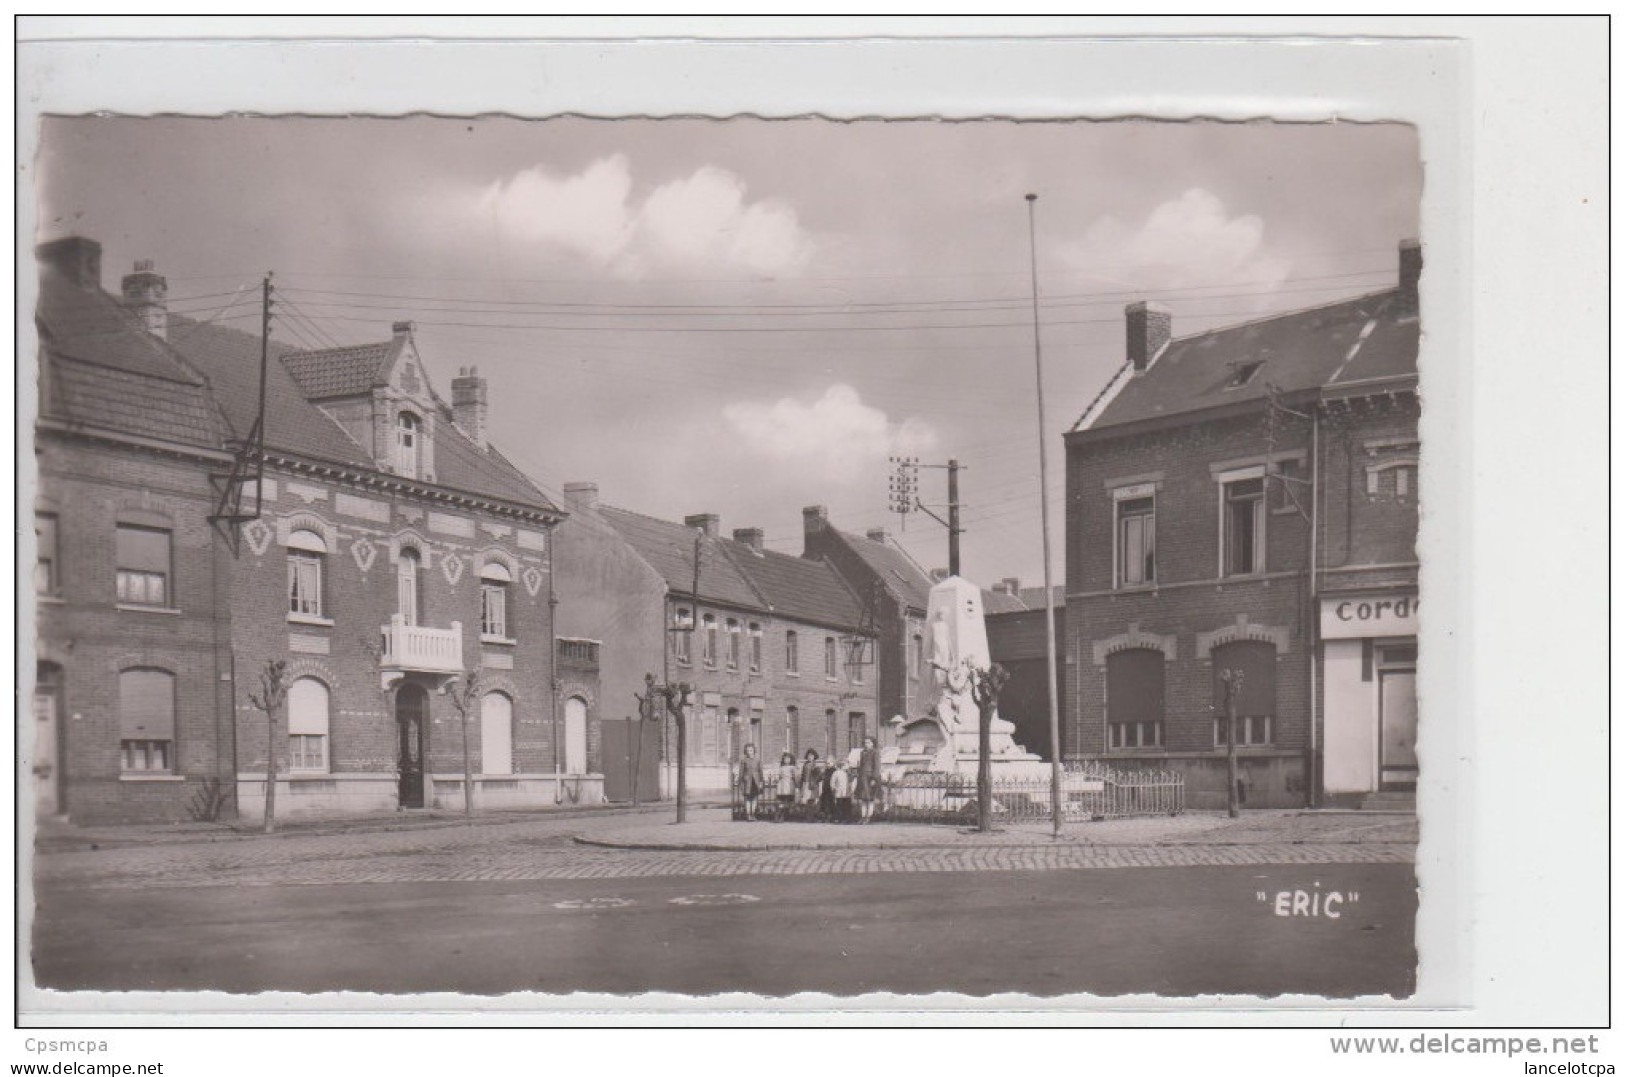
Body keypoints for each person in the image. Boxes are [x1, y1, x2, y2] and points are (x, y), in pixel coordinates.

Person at [854, 735, 882, 824]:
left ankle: (868, 816)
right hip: (862, 777)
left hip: (870, 778)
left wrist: (874, 778)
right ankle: (862, 816)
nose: (866, 744)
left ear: (872, 744)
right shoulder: (862, 752)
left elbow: (877, 766)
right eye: (865, 742)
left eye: (868, 742)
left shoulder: (875, 752)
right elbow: (861, 765)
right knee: (863, 798)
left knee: (870, 798)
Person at [736, 743, 764, 821]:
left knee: (754, 799)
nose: (749, 752)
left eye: (751, 750)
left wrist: (761, 782)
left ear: (754, 750)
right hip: (747, 782)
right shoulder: (744, 760)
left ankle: (753, 814)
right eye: (747, 750)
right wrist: (740, 782)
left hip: (755, 782)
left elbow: (761, 771)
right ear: (745, 751)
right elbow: (741, 772)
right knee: (747, 799)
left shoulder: (758, 760)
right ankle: (748, 815)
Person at [799, 748, 823, 820]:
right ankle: (807, 816)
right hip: (805, 783)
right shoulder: (805, 765)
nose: (810, 757)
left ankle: (812, 816)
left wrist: (815, 781)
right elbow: (803, 775)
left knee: (812, 799)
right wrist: (802, 783)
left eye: (812, 756)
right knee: (805, 799)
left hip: (812, 784)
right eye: (809, 756)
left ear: (814, 757)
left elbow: (819, 776)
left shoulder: (815, 765)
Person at [774, 751, 798, 822]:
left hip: (789, 785)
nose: (786, 760)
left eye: (788, 759)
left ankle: (785, 815)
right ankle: (779, 815)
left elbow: (795, 776)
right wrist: (776, 779)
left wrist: (796, 784)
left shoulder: (792, 767)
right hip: (782, 785)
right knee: (781, 801)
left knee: (788, 801)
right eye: (785, 759)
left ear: (791, 759)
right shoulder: (781, 767)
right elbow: (778, 775)